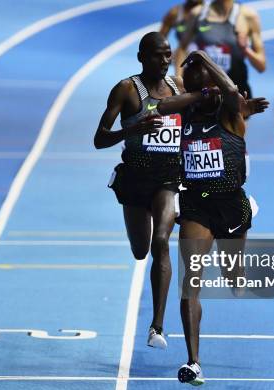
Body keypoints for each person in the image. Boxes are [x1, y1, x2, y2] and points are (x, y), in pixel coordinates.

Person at [156, 50, 268, 385]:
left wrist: (203, 57)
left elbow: (232, 92)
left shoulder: (232, 113)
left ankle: (237, 270)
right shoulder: (183, 115)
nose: (210, 95)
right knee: (191, 280)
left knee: (233, 276)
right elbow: (160, 105)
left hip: (231, 205)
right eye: (200, 91)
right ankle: (194, 362)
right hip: (196, 206)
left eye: (211, 89)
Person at [93, 32, 185, 349]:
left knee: (162, 242)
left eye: (168, 54)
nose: (164, 60)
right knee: (140, 250)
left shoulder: (178, 87)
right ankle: (156, 324)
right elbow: (99, 138)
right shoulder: (127, 89)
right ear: (141, 57)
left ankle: (156, 327)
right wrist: (131, 129)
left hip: (167, 180)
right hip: (134, 179)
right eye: (158, 55)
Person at [177, 0, 266, 98]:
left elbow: (261, 66)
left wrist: (246, 49)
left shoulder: (248, 16)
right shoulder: (197, 14)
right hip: (205, 95)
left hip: (236, 93)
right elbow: (181, 49)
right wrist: (179, 83)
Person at [159, 0, 204, 77]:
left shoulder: (212, 13)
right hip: (182, 58)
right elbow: (159, 41)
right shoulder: (174, 13)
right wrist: (166, 56)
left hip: (208, 58)